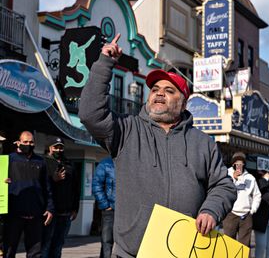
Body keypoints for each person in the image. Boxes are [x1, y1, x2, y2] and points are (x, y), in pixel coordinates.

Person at [78, 33, 237, 258]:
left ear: (183, 103)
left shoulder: (203, 143)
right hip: (132, 252)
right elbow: (90, 114)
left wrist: (211, 210)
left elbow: (224, 186)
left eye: (169, 91)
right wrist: (105, 63)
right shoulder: (126, 130)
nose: (159, 93)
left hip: (185, 250)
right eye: (155, 89)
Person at [3, 131, 53, 258]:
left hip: (36, 216)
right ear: (18, 143)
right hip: (13, 215)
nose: (28, 144)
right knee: (9, 251)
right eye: (25, 142)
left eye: (31, 142)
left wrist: (50, 208)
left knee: (35, 254)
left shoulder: (40, 161)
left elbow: (47, 188)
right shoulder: (8, 160)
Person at [41, 137, 80, 258]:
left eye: (61, 147)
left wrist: (75, 208)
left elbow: (76, 188)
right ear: (49, 148)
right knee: (45, 245)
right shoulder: (43, 163)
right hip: (50, 214)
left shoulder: (69, 164)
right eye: (56, 147)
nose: (59, 149)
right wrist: (53, 179)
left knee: (58, 245)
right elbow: (40, 186)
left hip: (65, 213)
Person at [222, 152, 261, 249]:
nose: (239, 166)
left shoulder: (250, 178)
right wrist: (234, 179)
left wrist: (252, 210)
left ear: (244, 164)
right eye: (237, 163)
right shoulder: (226, 174)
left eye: (241, 163)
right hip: (231, 214)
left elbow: (257, 195)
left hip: (246, 215)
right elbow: (222, 190)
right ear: (233, 164)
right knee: (228, 244)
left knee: (244, 245)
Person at [92, 156, 116, 258]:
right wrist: (105, 205)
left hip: (127, 210)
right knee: (107, 241)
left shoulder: (129, 161)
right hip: (110, 210)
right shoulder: (105, 163)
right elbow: (96, 185)